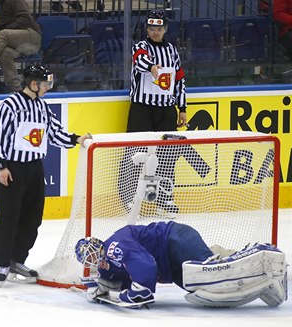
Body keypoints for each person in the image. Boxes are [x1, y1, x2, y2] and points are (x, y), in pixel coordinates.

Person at [0, 64, 92, 284]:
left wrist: (76, 139)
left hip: (35, 168)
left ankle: (17, 259)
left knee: (32, 217)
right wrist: (1, 166)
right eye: (44, 83)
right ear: (33, 83)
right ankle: (2, 262)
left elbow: (54, 132)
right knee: (8, 216)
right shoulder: (11, 105)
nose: (47, 87)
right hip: (13, 169)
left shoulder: (42, 107)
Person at [75, 222, 288, 308]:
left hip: (172, 240)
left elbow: (146, 267)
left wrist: (138, 292)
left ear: (97, 243)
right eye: (86, 258)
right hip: (170, 264)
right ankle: (263, 281)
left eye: (90, 251)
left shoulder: (113, 246)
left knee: (209, 274)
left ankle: (260, 251)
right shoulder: (106, 265)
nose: (91, 258)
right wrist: (99, 289)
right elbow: (119, 282)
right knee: (206, 288)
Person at [118, 9, 188, 217]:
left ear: (165, 29)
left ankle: (165, 199)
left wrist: (182, 108)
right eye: (152, 28)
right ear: (147, 29)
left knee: (167, 156)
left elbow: (180, 79)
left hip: (166, 109)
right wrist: (152, 68)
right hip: (142, 108)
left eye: (159, 28)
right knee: (134, 154)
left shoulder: (172, 51)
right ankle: (129, 198)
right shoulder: (141, 47)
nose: (155, 32)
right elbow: (140, 61)